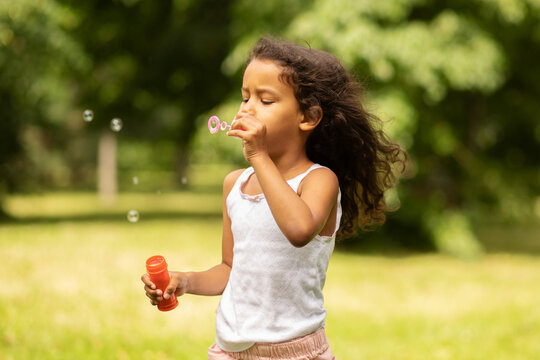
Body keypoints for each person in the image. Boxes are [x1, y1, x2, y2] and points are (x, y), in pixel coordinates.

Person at [141, 36, 406, 360]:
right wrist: (185, 280)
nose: (248, 108)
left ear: (307, 117)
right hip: (229, 349)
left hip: (295, 352)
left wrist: (259, 155)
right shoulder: (234, 185)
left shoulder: (319, 180)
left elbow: (298, 230)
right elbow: (229, 269)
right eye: (245, 97)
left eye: (265, 100)